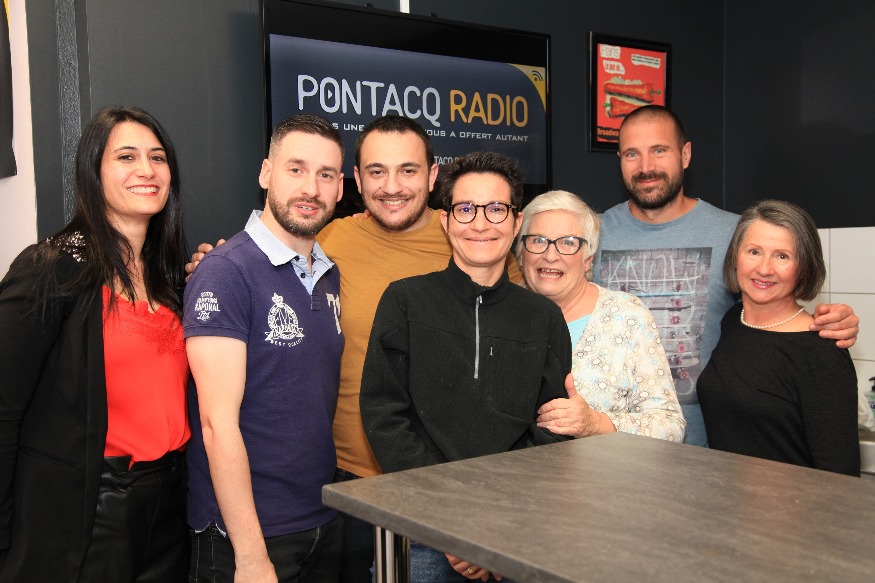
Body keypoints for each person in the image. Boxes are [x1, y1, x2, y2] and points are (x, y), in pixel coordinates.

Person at [187, 115, 522, 581]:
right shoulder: (325, 243)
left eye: (408, 170)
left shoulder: (474, 241)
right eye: (376, 171)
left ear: (432, 176)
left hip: (430, 489)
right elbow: (217, 419)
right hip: (338, 491)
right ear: (358, 182)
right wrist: (215, 267)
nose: (392, 186)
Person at [592, 105, 859, 447]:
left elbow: (776, 314)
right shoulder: (593, 235)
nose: (646, 167)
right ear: (619, 159)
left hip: (711, 450)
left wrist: (834, 323)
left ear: (685, 154)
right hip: (611, 443)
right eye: (632, 153)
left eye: (659, 150)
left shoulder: (735, 234)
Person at [360, 152, 572, 582]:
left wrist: (491, 522)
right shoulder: (404, 301)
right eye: (466, 209)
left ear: (516, 222)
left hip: (511, 528)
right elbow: (383, 415)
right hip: (419, 526)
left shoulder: (544, 318)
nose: (480, 224)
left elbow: (552, 428)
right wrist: (451, 516)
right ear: (445, 220)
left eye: (496, 209)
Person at [0, 107, 190, 581]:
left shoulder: (171, 276)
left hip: (170, 504)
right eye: (126, 157)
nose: (147, 170)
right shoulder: (52, 268)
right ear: (93, 171)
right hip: (88, 511)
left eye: (158, 157)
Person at [183, 114, 345, 582]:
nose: (311, 188)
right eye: (296, 169)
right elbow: (216, 426)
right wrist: (251, 556)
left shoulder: (328, 274)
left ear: (340, 188)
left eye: (326, 175)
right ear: (266, 173)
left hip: (320, 516)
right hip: (247, 536)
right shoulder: (226, 272)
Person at [697, 200, 860, 475]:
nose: (764, 269)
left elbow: (841, 475)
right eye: (754, 251)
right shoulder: (733, 321)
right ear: (735, 256)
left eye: (782, 256)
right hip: (723, 497)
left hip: (793, 502)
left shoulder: (822, 351)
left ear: (804, 267)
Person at [517, 191, 685, 441]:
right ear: (521, 253)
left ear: (588, 259)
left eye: (568, 243)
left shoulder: (627, 316)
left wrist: (596, 423)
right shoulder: (499, 314)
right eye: (538, 240)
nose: (550, 255)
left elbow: (670, 427)